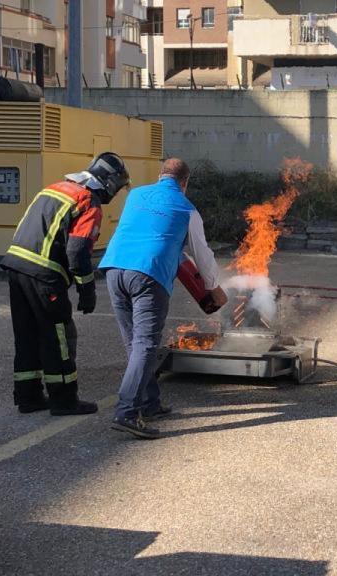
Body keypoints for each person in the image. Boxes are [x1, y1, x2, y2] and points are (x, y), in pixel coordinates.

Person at [99, 158, 227, 439]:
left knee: (134, 342)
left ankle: (149, 402)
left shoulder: (135, 195)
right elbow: (202, 255)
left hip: (113, 269)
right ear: (185, 183)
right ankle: (127, 413)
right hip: (148, 274)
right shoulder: (187, 208)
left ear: (160, 176)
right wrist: (213, 287)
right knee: (145, 344)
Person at [1, 153, 130, 415]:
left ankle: (29, 397)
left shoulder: (55, 188)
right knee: (58, 336)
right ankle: (64, 400)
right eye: (116, 187)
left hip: (16, 267)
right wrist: (87, 289)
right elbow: (78, 251)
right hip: (44, 274)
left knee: (26, 334)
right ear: (107, 181)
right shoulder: (88, 201)